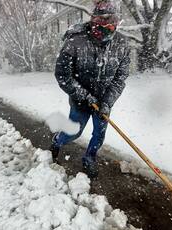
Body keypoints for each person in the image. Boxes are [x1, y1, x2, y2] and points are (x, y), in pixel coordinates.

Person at [50, 0, 130, 179]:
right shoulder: (75, 41)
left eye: (111, 24)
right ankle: (58, 140)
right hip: (80, 100)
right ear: (94, 21)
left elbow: (120, 78)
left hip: (104, 100)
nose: (105, 31)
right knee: (74, 132)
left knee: (99, 134)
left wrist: (107, 102)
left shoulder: (122, 44)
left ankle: (89, 158)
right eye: (101, 24)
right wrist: (84, 96)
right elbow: (63, 76)